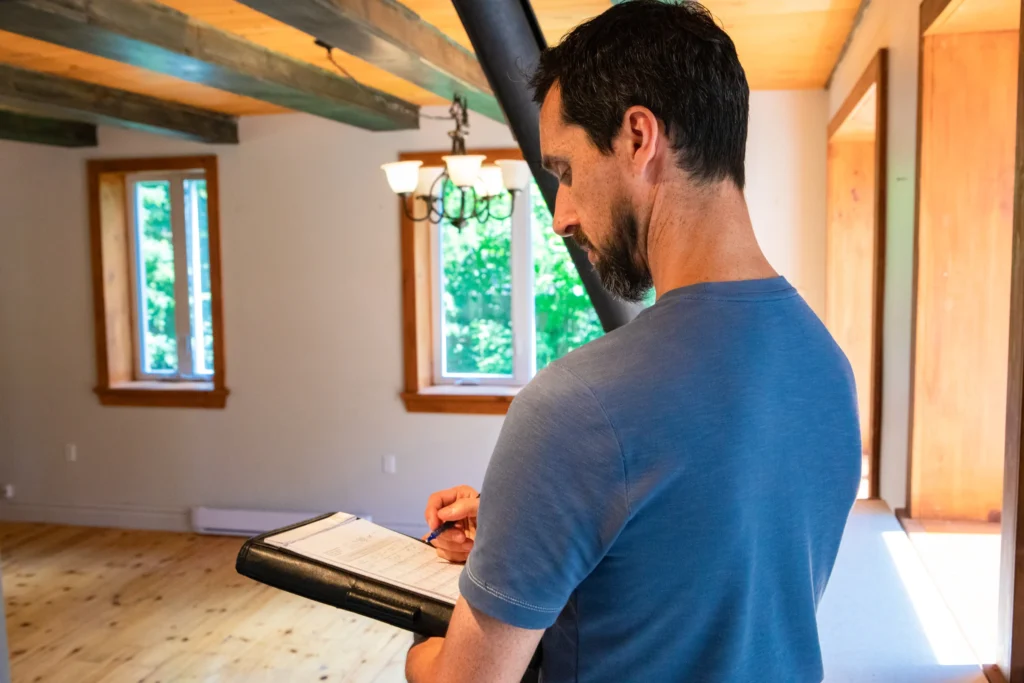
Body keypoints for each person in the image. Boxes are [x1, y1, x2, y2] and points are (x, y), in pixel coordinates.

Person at [405, 2, 861, 682]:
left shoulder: (575, 405)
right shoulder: (826, 366)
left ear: (638, 138)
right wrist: (524, 534)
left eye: (564, 170)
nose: (560, 216)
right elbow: (708, 576)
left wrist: (418, 652)